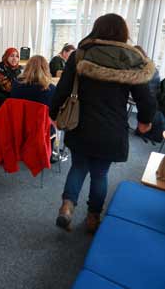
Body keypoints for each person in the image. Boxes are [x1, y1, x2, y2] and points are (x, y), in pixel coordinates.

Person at [50, 13, 156, 234]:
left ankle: (67, 207)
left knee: (78, 167)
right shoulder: (131, 58)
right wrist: (145, 121)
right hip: (112, 130)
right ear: (123, 33)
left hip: (80, 125)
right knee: (100, 174)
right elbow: (145, 98)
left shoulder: (80, 54)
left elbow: (63, 89)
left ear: (96, 29)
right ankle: (92, 217)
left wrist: (52, 113)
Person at [11, 55, 59, 162]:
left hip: (18, 126)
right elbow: (54, 112)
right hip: (40, 130)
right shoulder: (51, 89)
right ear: (46, 69)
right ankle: (50, 151)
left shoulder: (16, 85)